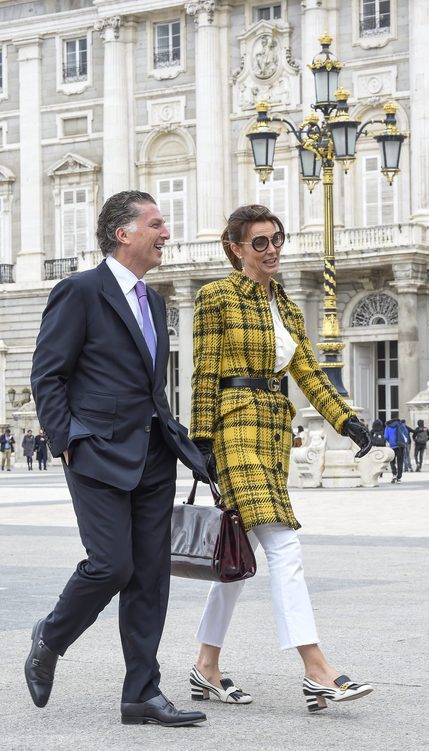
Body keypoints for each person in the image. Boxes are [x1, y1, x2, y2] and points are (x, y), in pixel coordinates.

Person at [26, 191, 208, 728]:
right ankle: (50, 636)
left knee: (150, 576)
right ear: (123, 233)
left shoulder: (154, 301)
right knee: (112, 565)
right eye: (156, 224)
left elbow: (152, 387)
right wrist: (66, 440)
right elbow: (48, 374)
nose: (166, 234)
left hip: (153, 453)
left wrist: (181, 443)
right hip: (96, 450)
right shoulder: (79, 292)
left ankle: (141, 695)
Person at [189, 204, 373, 714]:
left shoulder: (287, 306)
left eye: (277, 240)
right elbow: (204, 373)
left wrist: (347, 420)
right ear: (236, 248)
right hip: (233, 428)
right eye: (260, 243)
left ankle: (206, 665)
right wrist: (201, 441)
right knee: (283, 545)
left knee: (236, 556)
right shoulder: (216, 298)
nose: (272, 250)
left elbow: (310, 374)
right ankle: (317, 668)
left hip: (272, 433)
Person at [384, 416, 408, 483]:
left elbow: (386, 436)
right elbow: (406, 434)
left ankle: (394, 475)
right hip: (401, 446)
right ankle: (399, 478)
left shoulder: (388, 426)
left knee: (392, 461)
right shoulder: (401, 425)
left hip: (392, 447)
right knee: (400, 462)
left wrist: (390, 442)